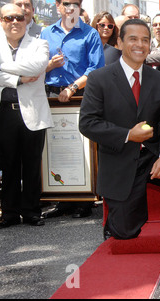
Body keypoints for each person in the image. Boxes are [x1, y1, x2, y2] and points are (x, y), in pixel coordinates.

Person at [79, 19, 160, 240]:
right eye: (133, 39)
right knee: (125, 233)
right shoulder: (99, 79)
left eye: (145, 40)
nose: (140, 45)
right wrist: (128, 135)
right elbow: (87, 123)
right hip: (120, 158)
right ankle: (116, 222)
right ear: (119, 42)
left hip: (153, 154)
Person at [40, 0, 104, 218]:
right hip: (51, 96)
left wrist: (72, 87)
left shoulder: (90, 34)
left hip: (80, 95)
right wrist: (49, 66)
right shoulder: (46, 33)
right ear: (58, 6)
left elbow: (95, 68)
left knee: (81, 145)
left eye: (75, 3)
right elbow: (37, 65)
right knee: (56, 146)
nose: (70, 7)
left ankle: (83, 199)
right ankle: (63, 198)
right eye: (66, 3)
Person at [0, 4, 53, 228]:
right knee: (8, 164)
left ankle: (31, 211)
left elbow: (38, 67)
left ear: (26, 19)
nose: (14, 22)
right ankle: (9, 213)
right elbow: (27, 73)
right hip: (4, 112)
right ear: (1, 21)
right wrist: (18, 79)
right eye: (9, 17)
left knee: (31, 164)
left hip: (32, 112)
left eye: (19, 17)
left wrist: (2, 68)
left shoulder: (40, 43)